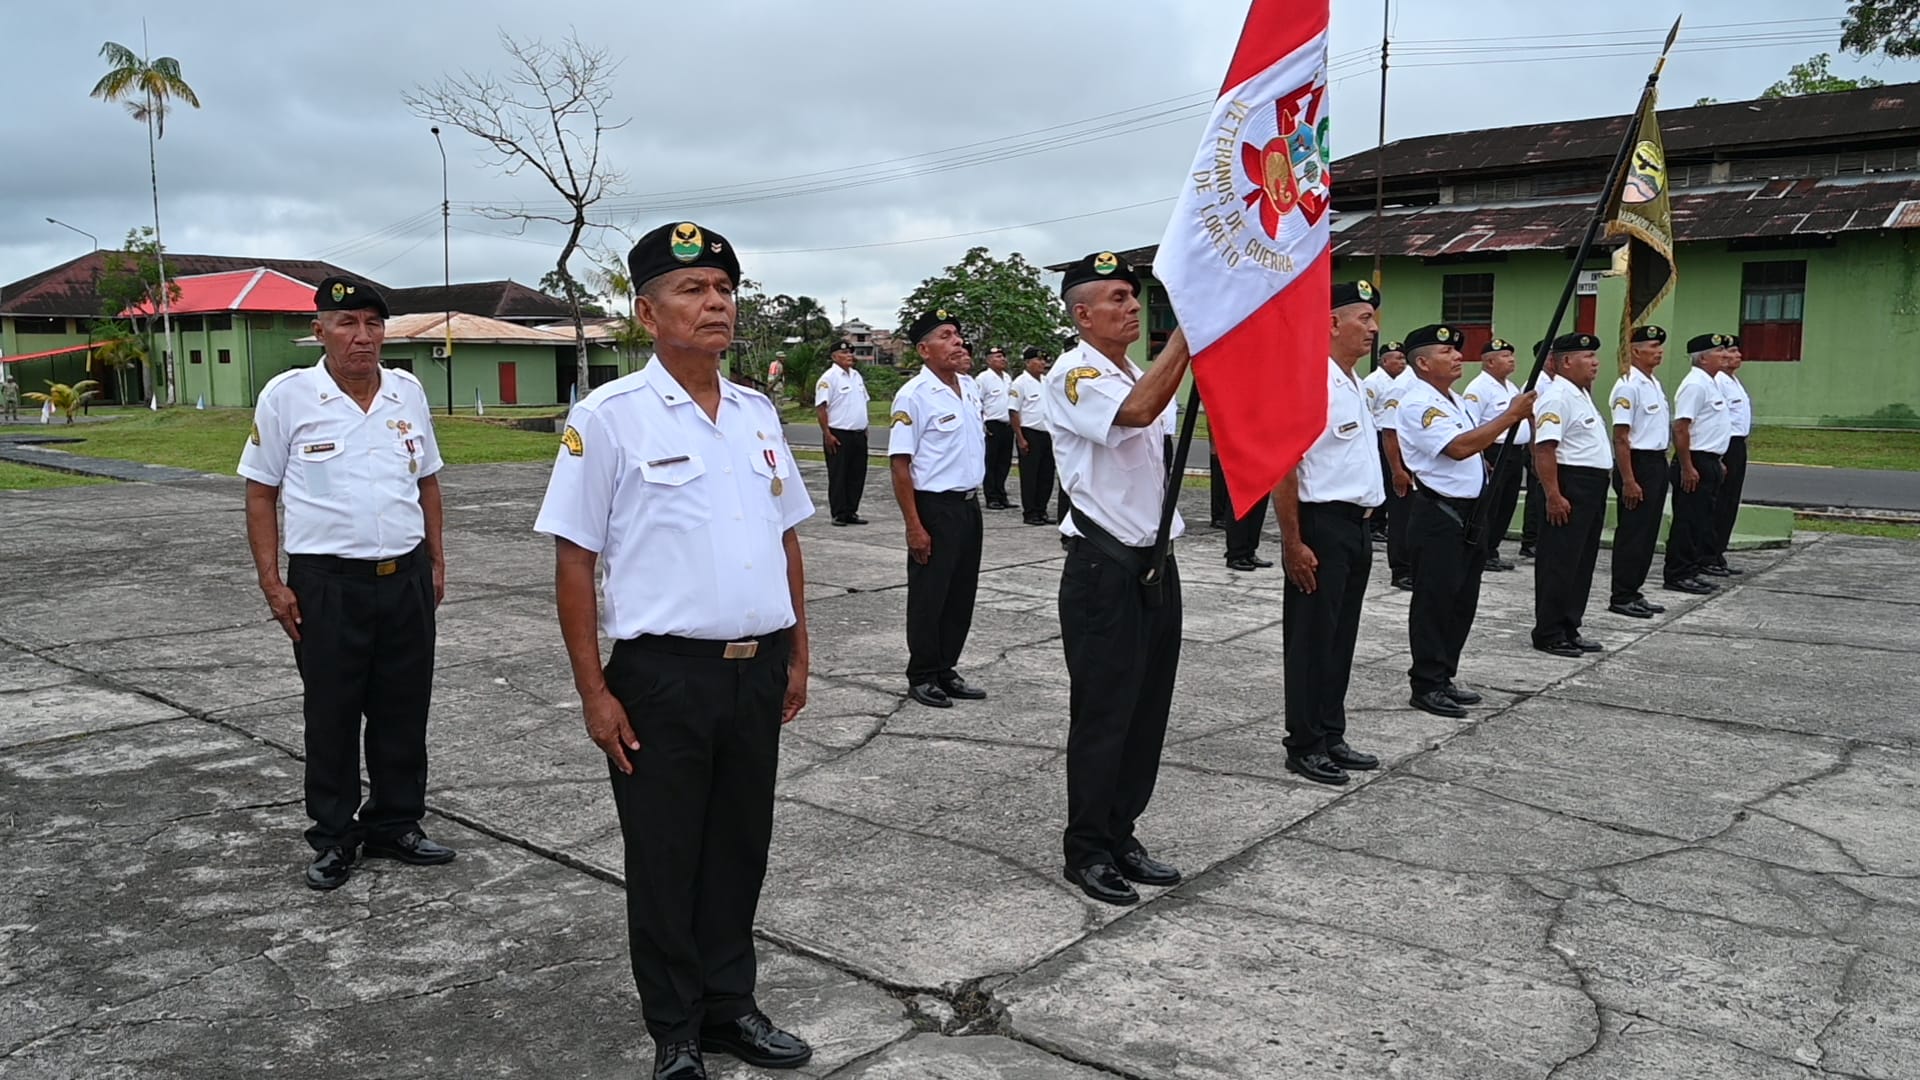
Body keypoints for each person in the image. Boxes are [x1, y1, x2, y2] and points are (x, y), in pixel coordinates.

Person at [535, 221, 816, 1080]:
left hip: (756, 667)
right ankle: (677, 1031)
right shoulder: (611, 417)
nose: (717, 303)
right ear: (646, 312)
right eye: (693, 289)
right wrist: (594, 692)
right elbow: (574, 560)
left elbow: (788, 538)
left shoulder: (758, 414)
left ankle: (732, 1007)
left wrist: (799, 653)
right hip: (661, 679)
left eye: (725, 289)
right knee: (665, 860)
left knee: (740, 848)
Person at [237, 275, 453, 892]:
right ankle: (334, 836)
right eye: (348, 324)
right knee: (331, 713)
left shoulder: (407, 392)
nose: (363, 337)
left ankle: (396, 822)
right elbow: (260, 491)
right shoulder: (288, 397)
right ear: (320, 332)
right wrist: (271, 582)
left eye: (373, 324)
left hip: (404, 575)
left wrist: (436, 562)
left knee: (403, 707)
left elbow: (428, 480)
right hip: (326, 584)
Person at [1046, 250, 1190, 908]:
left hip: (1157, 562)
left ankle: (1122, 830)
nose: (1132, 307)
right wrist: (1190, 334)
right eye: (1117, 299)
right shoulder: (1074, 374)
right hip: (1104, 567)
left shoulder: (1137, 369)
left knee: (1146, 711)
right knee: (1104, 715)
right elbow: (1134, 414)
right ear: (1082, 314)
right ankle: (1087, 848)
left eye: (1135, 298)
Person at [1276, 281, 1388, 786]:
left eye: (1373, 318)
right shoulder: (1308, 380)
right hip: (1320, 526)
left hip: (1357, 527)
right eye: (1363, 318)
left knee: (1340, 638)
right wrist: (1292, 542)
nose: (1373, 328)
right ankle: (1303, 742)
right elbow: (1284, 467)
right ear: (1330, 323)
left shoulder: (1353, 383)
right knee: (1311, 639)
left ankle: (1330, 731)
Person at [1393, 324, 1535, 719]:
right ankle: (1426, 683)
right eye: (1446, 352)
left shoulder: (1455, 399)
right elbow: (1457, 448)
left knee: (1461, 601)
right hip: (1440, 513)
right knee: (1435, 602)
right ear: (1422, 363)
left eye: (1457, 351)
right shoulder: (1419, 403)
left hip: (1471, 513)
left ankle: (1444, 675)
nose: (1457, 356)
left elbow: (1473, 444)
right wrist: (1510, 416)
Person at [889, 310, 989, 709]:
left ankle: (947, 668)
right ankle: (923, 674)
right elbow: (900, 464)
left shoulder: (968, 387)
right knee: (930, 595)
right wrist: (914, 525)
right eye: (946, 336)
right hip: (934, 507)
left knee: (961, 593)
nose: (958, 342)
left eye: (959, 335)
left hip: (968, 505)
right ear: (924, 349)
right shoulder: (913, 395)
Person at [1530, 333, 1613, 657]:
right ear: (1566, 361)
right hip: (1569, 484)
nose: (1595, 363)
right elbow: (1545, 448)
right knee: (1559, 562)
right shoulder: (1556, 396)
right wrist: (1553, 494)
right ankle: (1549, 631)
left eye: (1595, 356)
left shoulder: (1580, 394)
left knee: (1580, 562)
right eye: (1587, 357)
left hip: (1590, 485)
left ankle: (1569, 626)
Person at [1606, 326, 1672, 619]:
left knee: (1647, 533)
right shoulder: (1628, 385)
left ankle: (1634, 590)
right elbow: (1621, 436)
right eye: (1653, 346)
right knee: (1633, 533)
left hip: (1656, 462)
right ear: (1635, 351)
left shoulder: (1652, 382)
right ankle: (1621, 595)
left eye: (1660, 346)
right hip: (1637, 464)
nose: (1659, 351)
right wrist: (1629, 479)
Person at [1663, 334, 1734, 595]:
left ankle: (1692, 570)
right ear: (1703, 358)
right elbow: (1681, 428)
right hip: (1694, 459)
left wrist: (1717, 461)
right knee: (1688, 520)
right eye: (1719, 351)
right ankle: (1678, 573)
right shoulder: (1695, 384)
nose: (1725, 355)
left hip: (1709, 459)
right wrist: (1687, 466)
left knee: (1701, 520)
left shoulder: (1712, 382)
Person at [1461, 337, 1528, 573]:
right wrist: (1481, 457)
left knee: (1506, 504)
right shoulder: (1478, 388)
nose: (1511, 360)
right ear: (1489, 362)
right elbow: (1471, 425)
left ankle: (1493, 549)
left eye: (1512, 355)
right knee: (1491, 505)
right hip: (1493, 451)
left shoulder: (1511, 387)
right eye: (1505, 356)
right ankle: (1483, 550)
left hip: (1514, 452)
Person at [1363, 341, 1415, 588]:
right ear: (1384, 361)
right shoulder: (1375, 382)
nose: (1401, 363)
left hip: (1409, 449)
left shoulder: (1410, 383)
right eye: (1397, 359)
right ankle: (1401, 567)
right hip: (1384, 440)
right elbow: (1368, 413)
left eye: (1403, 358)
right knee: (1398, 506)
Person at [1207, 394, 1272, 571]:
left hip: (1264, 448)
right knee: (1240, 502)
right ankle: (1236, 553)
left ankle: (1250, 550)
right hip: (1243, 448)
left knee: (1259, 502)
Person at [814, 339, 871, 526]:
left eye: (850, 353)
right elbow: (822, 408)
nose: (849, 356)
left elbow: (862, 403)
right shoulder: (828, 378)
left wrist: (866, 428)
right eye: (844, 353)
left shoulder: (856, 376)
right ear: (834, 357)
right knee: (839, 475)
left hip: (858, 433)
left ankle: (851, 511)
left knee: (857, 474)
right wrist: (826, 434)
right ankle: (838, 513)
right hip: (838, 434)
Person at [1709, 337, 1752, 576]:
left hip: (1738, 444)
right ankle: (1710, 554)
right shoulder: (1718, 382)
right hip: (1725, 445)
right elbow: (1719, 421)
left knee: (1730, 502)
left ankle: (1718, 552)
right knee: (1720, 502)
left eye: (1737, 351)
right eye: (1731, 351)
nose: (1737, 356)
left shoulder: (1733, 381)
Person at [1010, 346, 1058, 525]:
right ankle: (1030, 512)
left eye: (1044, 360)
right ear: (1028, 362)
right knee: (1030, 476)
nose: (1042, 363)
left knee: (1046, 475)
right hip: (1029, 433)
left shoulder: (1047, 382)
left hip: (1048, 433)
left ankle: (1042, 510)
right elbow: (1013, 411)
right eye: (1038, 360)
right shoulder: (1020, 383)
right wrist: (1020, 437)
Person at [977, 345, 1015, 509]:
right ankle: (991, 496)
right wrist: (982, 424)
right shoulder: (983, 378)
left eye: (1003, 356)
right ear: (988, 360)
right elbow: (977, 403)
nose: (1002, 359)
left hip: (1007, 424)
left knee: (1004, 462)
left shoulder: (1007, 377)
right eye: (997, 357)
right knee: (990, 462)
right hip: (992, 424)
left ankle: (1001, 494)